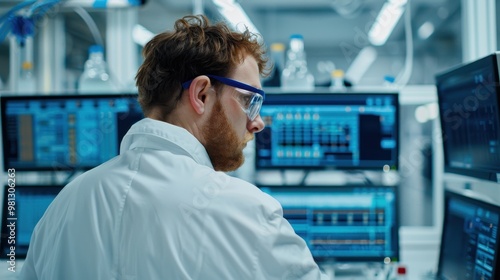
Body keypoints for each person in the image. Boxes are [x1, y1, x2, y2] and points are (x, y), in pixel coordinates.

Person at [20, 15, 329, 279]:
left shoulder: (64, 206)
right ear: (202, 95)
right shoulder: (245, 211)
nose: (258, 122)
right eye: (250, 101)